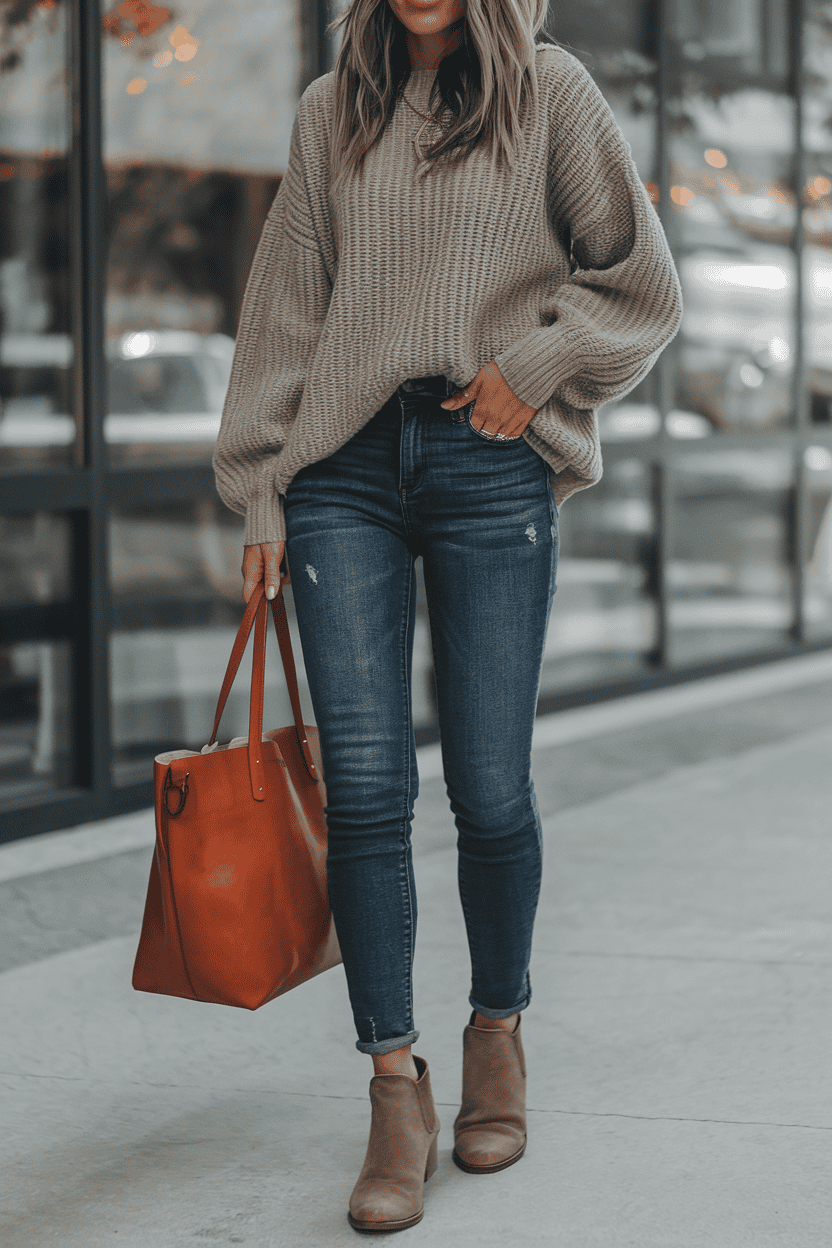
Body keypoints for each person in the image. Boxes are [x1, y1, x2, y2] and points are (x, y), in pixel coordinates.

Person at [213, 0, 683, 1233]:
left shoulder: (550, 93)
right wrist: (262, 491)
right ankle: (391, 1086)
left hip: (489, 461)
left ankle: (495, 1038)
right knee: (365, 789)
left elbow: (637, 281)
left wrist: (529, 369)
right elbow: (282, 316)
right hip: (342, 473)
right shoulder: (334, 112)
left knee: (489, 784)